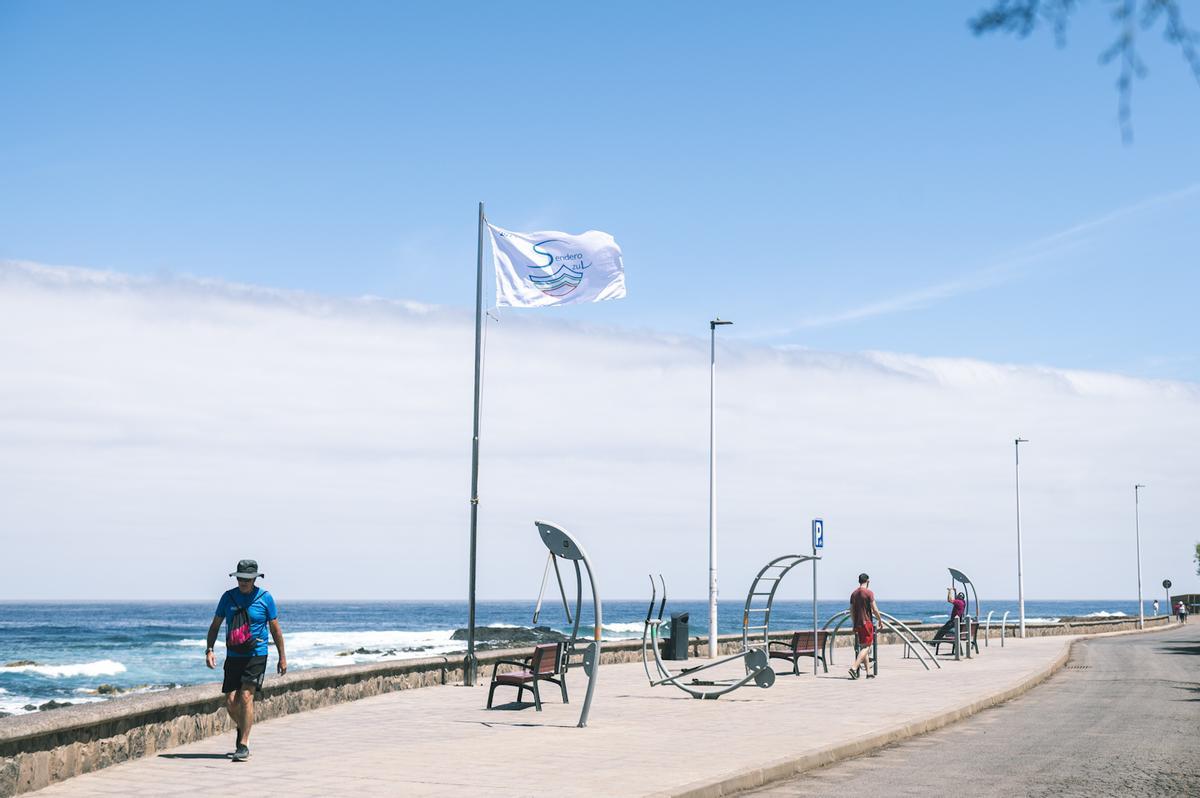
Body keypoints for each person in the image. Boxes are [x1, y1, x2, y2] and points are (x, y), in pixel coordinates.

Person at [205, 559, 286, 762]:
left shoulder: (265, 598)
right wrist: (209, 649)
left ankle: (244, 744)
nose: (243, 582)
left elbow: (275, 629)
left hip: (256, 654)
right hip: (234, 655)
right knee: (231, 702)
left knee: (246, 696)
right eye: (240, 578)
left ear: (254, 579)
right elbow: (215, 625)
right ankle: (244, 727)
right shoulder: (228, 598)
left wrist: (282, 657)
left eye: (247, 579)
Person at [849, 573, 881, 680]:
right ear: (868, 581)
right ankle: (854, 667)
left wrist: (854, 624)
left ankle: (868, 673)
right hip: (867, 622)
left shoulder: (853, 594)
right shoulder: (869, 593)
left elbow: (852, 611)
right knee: (867, 647)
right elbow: (875, 609)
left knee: (863, 647)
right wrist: (880, 620)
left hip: (858, 623)